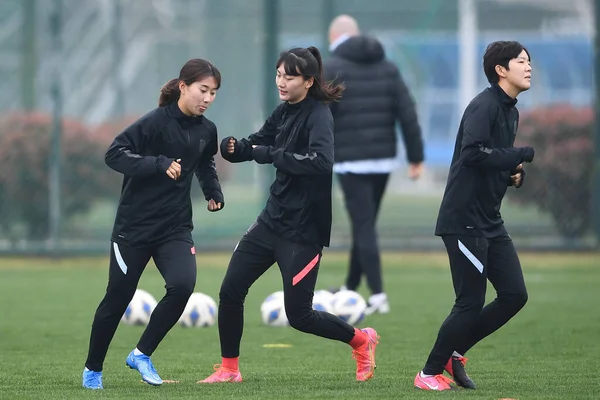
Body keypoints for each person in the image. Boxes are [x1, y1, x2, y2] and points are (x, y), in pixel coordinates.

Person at [197, 46, 379, 384]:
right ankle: (229, 370)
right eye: (279, 74)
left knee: (299, 316)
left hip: (303, 232)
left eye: (289, 76)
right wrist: (234, 148)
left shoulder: (320, 115)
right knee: (231, 290)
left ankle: (361, 339)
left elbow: (321, 164)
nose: (281, 81)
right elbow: (257, 146)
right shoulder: (283, 112)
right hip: (270, 222)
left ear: (308, 81)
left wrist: (268, 153)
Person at [82, 58, 225, 390]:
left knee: (183, 285)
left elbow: (205, 163)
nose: (207, 98)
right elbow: (114, 154)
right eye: (202, 90)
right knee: (118, 298)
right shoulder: (153, 123)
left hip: (175, 226)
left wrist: (213, 191)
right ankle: (93, 370)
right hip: (133, 228)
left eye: (213, 93)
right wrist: (158, 164)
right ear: (183, 86)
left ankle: (141, 354)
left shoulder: (207, 130)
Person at [414, 41, 534, 391]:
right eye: (521, 61)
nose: (529, 67)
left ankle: (454, 354)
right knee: (470, 301)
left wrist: (514, 172)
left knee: (514, 295)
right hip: (464, 219)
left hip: (489, 219)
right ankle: (428, 373)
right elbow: (472, 154)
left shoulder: (510, 110)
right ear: (501, 70)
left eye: (530, 62)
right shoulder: (484, 106)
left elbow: (492, 160)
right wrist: (516, 153)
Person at [324, 15, 425, 315]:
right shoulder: (388, 67)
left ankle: (378, 294)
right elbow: (407, 112)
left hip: (350, 162)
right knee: (365, 224)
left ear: (335, 38)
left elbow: (320, 116)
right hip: (383, 160)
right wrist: (415, 157)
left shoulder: (331, 68)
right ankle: (351, 287)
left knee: (363, 225)